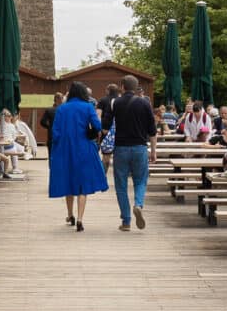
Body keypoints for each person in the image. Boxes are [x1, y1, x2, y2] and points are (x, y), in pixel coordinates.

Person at [47, 82, 108, 230]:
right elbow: (98, 126)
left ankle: (70, 215)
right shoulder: (88, 107)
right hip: (84, 149)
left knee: (68, 182)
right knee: (82, 185)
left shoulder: (61, 109)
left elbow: (55, 132)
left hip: (65, 150)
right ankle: (80, 219)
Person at [108, 74, 158, 231]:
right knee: (140, 180)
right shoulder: (144, 104)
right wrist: (153, 151)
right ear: (136, 88)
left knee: (121, 185)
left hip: (121, 148)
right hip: (140, 148)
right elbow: (153, 131)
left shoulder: (115, 103)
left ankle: (126, 221)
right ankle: (138, 204)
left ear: (122, 86)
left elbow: (107, 124)